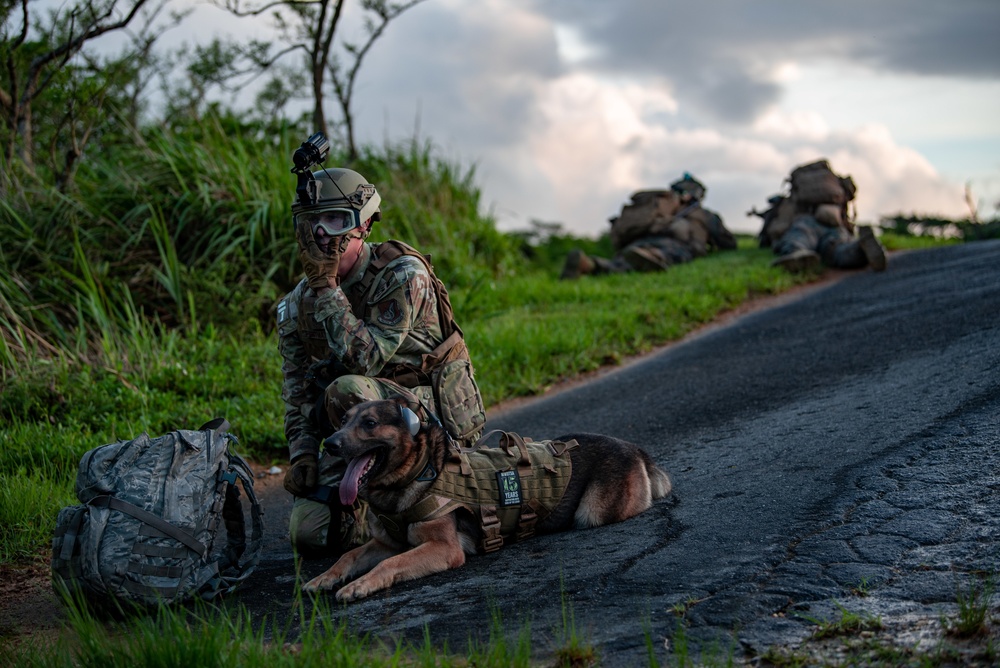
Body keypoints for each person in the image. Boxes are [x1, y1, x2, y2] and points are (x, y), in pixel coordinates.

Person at [275, 150, 486, 558]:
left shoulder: (403, 274)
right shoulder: (295, 305)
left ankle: (405, 510)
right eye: (311, 222)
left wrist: (326, 288)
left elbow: (365, 360)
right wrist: (303, 454)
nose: (321, 234)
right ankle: (376, 517)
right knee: (312, 535)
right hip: (356, 424)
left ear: (365, 224)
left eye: (335, 220)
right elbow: (298, 389)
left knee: (345, 387)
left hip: (425, 422)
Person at [561, 173, 737, 279]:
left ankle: (590, 264)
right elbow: (727, 243)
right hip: (676, 245)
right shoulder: (704, 215)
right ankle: (652, 257)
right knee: (655, 259)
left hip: (641, 239)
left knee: (621, 263)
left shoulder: (660, 206)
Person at [753, 159, 886, 273]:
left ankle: (797, 254)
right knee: (838, 252)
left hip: (805, 223)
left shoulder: (794, 199)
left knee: (797, 241)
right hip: (835, 225)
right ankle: (859, 249)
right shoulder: (834, 194)